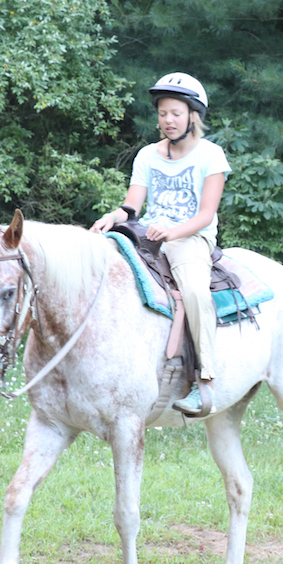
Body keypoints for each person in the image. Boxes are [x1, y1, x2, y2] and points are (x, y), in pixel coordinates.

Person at [91, 72, 231, 416]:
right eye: (163, 113)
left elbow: (206, 214)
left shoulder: (211, 155)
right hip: (149, 234)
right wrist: (111, 217)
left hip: (190, 238)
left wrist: (173, 232)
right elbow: (131, 207)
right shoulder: (147, 155)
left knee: (195, 291)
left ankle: (205, 379)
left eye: (176, 113)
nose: (168, 120)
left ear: (193, 116)